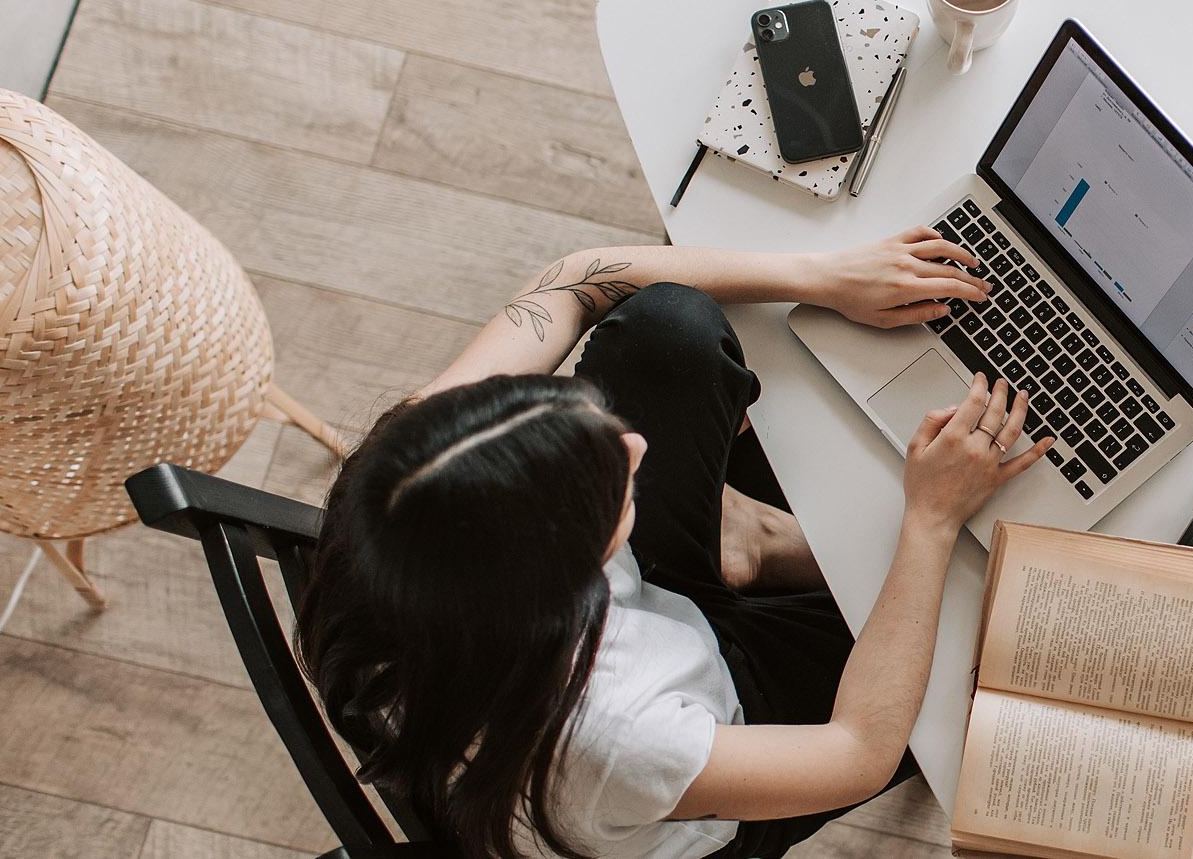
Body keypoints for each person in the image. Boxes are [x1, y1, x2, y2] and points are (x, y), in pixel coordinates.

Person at [295, 227, 1056, 859]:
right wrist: (928, 520)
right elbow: (858, 752)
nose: (631, 446)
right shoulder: (618, 737)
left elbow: (569, 284)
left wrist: (821, 277)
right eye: (609, 482)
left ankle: (745, 540)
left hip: (628, 628)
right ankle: (756, 543)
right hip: (723, 730)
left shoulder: (410, 475)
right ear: (569, 582)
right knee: (982, 639)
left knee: (667, 328)